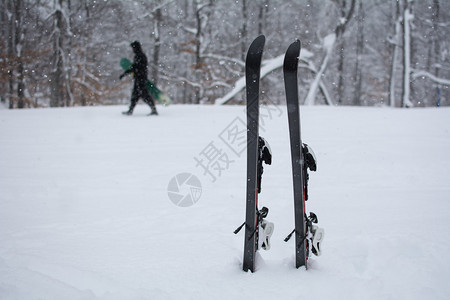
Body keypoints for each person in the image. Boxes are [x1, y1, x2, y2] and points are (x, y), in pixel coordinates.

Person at [119, 41, 158, 116]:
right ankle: (131, 110)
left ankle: (153, 110)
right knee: (136, 95)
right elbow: (135, 67)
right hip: (139, 79)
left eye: (133, 48)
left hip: (141, 79)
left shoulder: (140, 56)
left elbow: (135, 67)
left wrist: (125, 73)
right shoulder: (139, 56)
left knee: (144, 95)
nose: (133, 50)